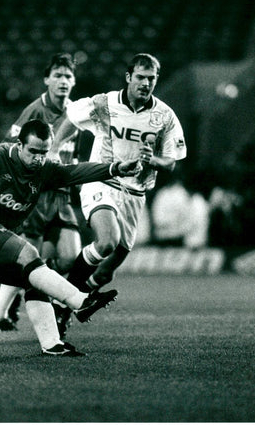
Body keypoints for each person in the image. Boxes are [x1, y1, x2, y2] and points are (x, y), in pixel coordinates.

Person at [0, 119, 142, 356]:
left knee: (35, 280)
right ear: (19, 146)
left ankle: (52, 344)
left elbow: (73, 172)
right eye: (33, 152)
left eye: (44, 152)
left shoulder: (43, 170)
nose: (39, 158)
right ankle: (80, 302)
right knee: (29, 253)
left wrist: (114, 169)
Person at [50, 53, 187, 295]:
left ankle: (79, 298)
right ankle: (66, 301)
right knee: (107, 241)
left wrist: (152, 159)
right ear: (128, 77)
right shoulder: (105, 103)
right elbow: (72, 117)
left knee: (106, 271)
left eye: (151, 79)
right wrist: (54, 149)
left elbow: (171, 162)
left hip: (135, 193)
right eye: (141, 77)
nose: (146, 84)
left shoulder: (165, 117)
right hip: (102, 181)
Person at [0, 53, 82, 335]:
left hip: (60, 195)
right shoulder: (34, 111)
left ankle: (18, 304)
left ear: (74, 82)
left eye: (68, 76)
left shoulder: (75, 112)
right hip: (35, 195)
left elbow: (71, 152)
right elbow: (7, 146)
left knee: (68, 258)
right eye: (58, 75)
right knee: (30, 259)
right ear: (47, 79)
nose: (63, 81)